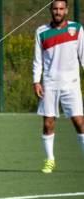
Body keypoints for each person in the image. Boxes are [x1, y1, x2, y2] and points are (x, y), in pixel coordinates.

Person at [33, 0, 84, 173]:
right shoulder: (41, 32)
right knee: (48, 123)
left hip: (72, 84)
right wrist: (36, 81)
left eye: (61, 8)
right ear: (50, 10)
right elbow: (37, 60)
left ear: (66, 10)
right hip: (49, 84)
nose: (58, 11)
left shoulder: (76, 29)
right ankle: (50, 160)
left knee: (79, 122)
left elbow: (83, 56)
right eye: (55, 8)